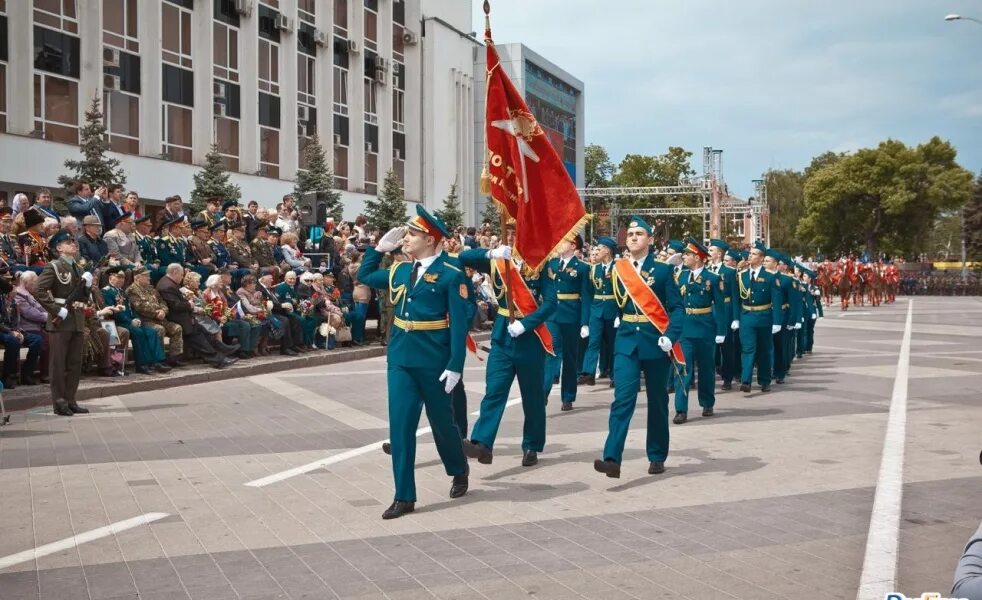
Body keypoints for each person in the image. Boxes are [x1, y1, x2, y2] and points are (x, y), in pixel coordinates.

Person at [358, 205, 471, 520]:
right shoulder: (400, 270)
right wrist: (377, 248)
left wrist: (455, 365)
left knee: (442, 424)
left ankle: (458, 468)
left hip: (434, 360)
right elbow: (365, 275)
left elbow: (459, 325)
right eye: (406, 234)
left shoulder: (451, 275)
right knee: (401, 427)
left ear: (431, 239)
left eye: (412, 234)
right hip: (401, 358)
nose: (405, 238)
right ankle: (404, 495)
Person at [457, 221, 556, 468]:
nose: (511, 237)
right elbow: (463, 257)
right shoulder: (497, 261)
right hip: (502, 336)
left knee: (532, 398)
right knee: (494, 391)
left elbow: (551, 302)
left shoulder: (540, 263)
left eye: (516, 233)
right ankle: (482, 443)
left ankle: (532, 444)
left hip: (529, 338)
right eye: (508, 232)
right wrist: (491, 253)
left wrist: (527, 323)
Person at [593, 216, 683, 478]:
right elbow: (612, 304)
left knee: (657, 401)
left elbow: (677, 308)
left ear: (650, 240)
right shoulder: (618, 270)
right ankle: (612, 458)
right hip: (626, 342)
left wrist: (671, 335)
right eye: (630, 234)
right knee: (622, 399)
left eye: (639, 234)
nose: (633, 237)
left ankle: (656, 455)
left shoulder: (664, 271)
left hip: (655, 342)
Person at [32, 229, 90, 416]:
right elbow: (38, 290)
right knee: (58, 364)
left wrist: (87, 287)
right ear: (59, 248)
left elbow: (82, 297)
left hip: (77, 320)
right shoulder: (54, 267)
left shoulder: (78, 268)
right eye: (68, 242)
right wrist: (56, 310)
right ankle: (59, 401)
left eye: (73, 241)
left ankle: (71, 399)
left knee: (74, 363)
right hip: (60, 321)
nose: (73, 244)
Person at [672, 239, 727, 424]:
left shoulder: (712, 278)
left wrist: (721, 330)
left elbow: (720, 306)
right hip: (684, 329)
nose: (684, 257)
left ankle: (707, 402)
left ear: (697, 257)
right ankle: (681, 409)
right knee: (682, 369)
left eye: (687, 254)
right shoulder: (680, 277)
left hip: (705, 328)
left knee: (706, 368)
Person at [542, 236, 592, 411]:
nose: (558, 244)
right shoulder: (552, 264)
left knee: (570, 357)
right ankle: (543, 393)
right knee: (552, 351)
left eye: (563, 241)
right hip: (553, 314)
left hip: (572, 315)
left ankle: (568, 396)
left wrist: (585, 322)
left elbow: (586, 296)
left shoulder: (583, 268)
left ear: (573, 246)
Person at [156, 264, 236, 369]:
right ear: (174, 272)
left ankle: (222, 350)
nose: (182, 278)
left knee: (204, 333)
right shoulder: (167, 285)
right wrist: (190, 304)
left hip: (184, 317)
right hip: (177, 318)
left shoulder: (170, 283)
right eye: (181, 275)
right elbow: (175, 305)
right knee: (199, 340)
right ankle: (218, 359)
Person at [102, 267, 171, 375]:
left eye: (123, 277)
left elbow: (131, 309)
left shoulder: (122, 292)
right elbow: (114, 311)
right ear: (110, 278)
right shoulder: (107, 291)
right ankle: (142, 364)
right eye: (118, 277)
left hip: (130, 321)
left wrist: (136, 318)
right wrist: (130, 321)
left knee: (151, 332)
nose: (121, 280)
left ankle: (157, 361)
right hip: (118, 322)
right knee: (138, 333)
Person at [737, 242, 784, 393]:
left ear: (762, 258)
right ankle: (746, 380)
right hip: (746, 316)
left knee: (764, 350)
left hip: (764, 316)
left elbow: (776, 300)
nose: (750, 256)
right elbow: (737, 299)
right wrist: (735, 318)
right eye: (750, 253)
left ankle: (764, 380)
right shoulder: (741, 275)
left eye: (755, 254)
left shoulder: (770, 276)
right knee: (747, 349)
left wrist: (777, 321)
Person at [579, 237, 619, 388]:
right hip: (596, 311)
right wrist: (585, 321)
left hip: (612, 309)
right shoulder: (594, 269)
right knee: (593, 342)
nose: (596, 251)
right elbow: (588, 295)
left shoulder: (618, 268)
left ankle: (615, 375)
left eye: (600, 248)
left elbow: (623, 293)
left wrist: (619, 315)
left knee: (613, 344)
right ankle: (588, 372)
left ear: (608, 250)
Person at [127, 266, 185, 368]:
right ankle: (160, 360)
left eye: (149, 276)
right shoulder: (132, 290)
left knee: (177, 328)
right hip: (146, 321)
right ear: (137, 278)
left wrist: (163, 311)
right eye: (146, 276)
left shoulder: (151, 289)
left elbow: (162, 302)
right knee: (159, 330)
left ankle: (174, 358)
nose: (149, 278)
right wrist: (156, 313)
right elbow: (139, 307)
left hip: (161, 318)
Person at [707, 240, 740, 390]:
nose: (709, 252)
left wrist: (735, 318)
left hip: (725, 309)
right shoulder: (706, 270)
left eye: (712, 250)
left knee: (726, 346)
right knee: (710, 345)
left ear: (719, 253)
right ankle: (715, 369)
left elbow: (734, 296)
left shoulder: (729, 272)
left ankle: (728, 378)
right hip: (709, 309)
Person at [13, 271, 49, 384]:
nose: (36, 285)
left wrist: (49, 314)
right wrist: (48, 317)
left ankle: (49, 372)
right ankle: (34, 373)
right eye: (34, 282)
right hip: (26, 327)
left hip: (38, 325)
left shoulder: (29, 293)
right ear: (26, 282)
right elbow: (29, 313)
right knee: (44, 341)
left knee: (55, 337)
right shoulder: (19, 294)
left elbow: (40, 308)